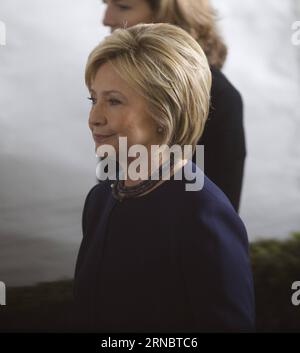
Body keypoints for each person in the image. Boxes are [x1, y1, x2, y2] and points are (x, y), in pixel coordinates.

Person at [73, 23, 255, 332]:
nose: (94, 118)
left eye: (114, 101)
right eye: (94, 99)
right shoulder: (100, 198)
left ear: (164, 110)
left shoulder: (204, 216)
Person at [102, 0, 246, 212]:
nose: (106, 19)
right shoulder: (119, 85)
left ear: (171, 17)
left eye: (123, 7)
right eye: (106, 4)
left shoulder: (219, 98)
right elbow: (109, 193)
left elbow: (217, 220)